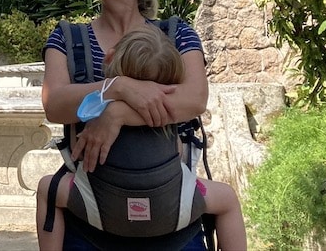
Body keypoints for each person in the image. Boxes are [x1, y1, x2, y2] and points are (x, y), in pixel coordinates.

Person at [39, 0, 211, 251]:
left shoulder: (176, 35)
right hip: (90, 221)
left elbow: (193, 99)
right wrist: (117, 87)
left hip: (172, 217)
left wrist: (115, 114)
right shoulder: (65, 38)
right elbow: (56, 104)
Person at [37, 27, 247, 251]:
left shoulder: (97, 106)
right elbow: (176, 151)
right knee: (227, 199)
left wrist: (112, 97)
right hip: (172, 210)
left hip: (99, 206)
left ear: (109, 58)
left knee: (46, 189)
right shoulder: (170, 109)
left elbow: (75, 113)